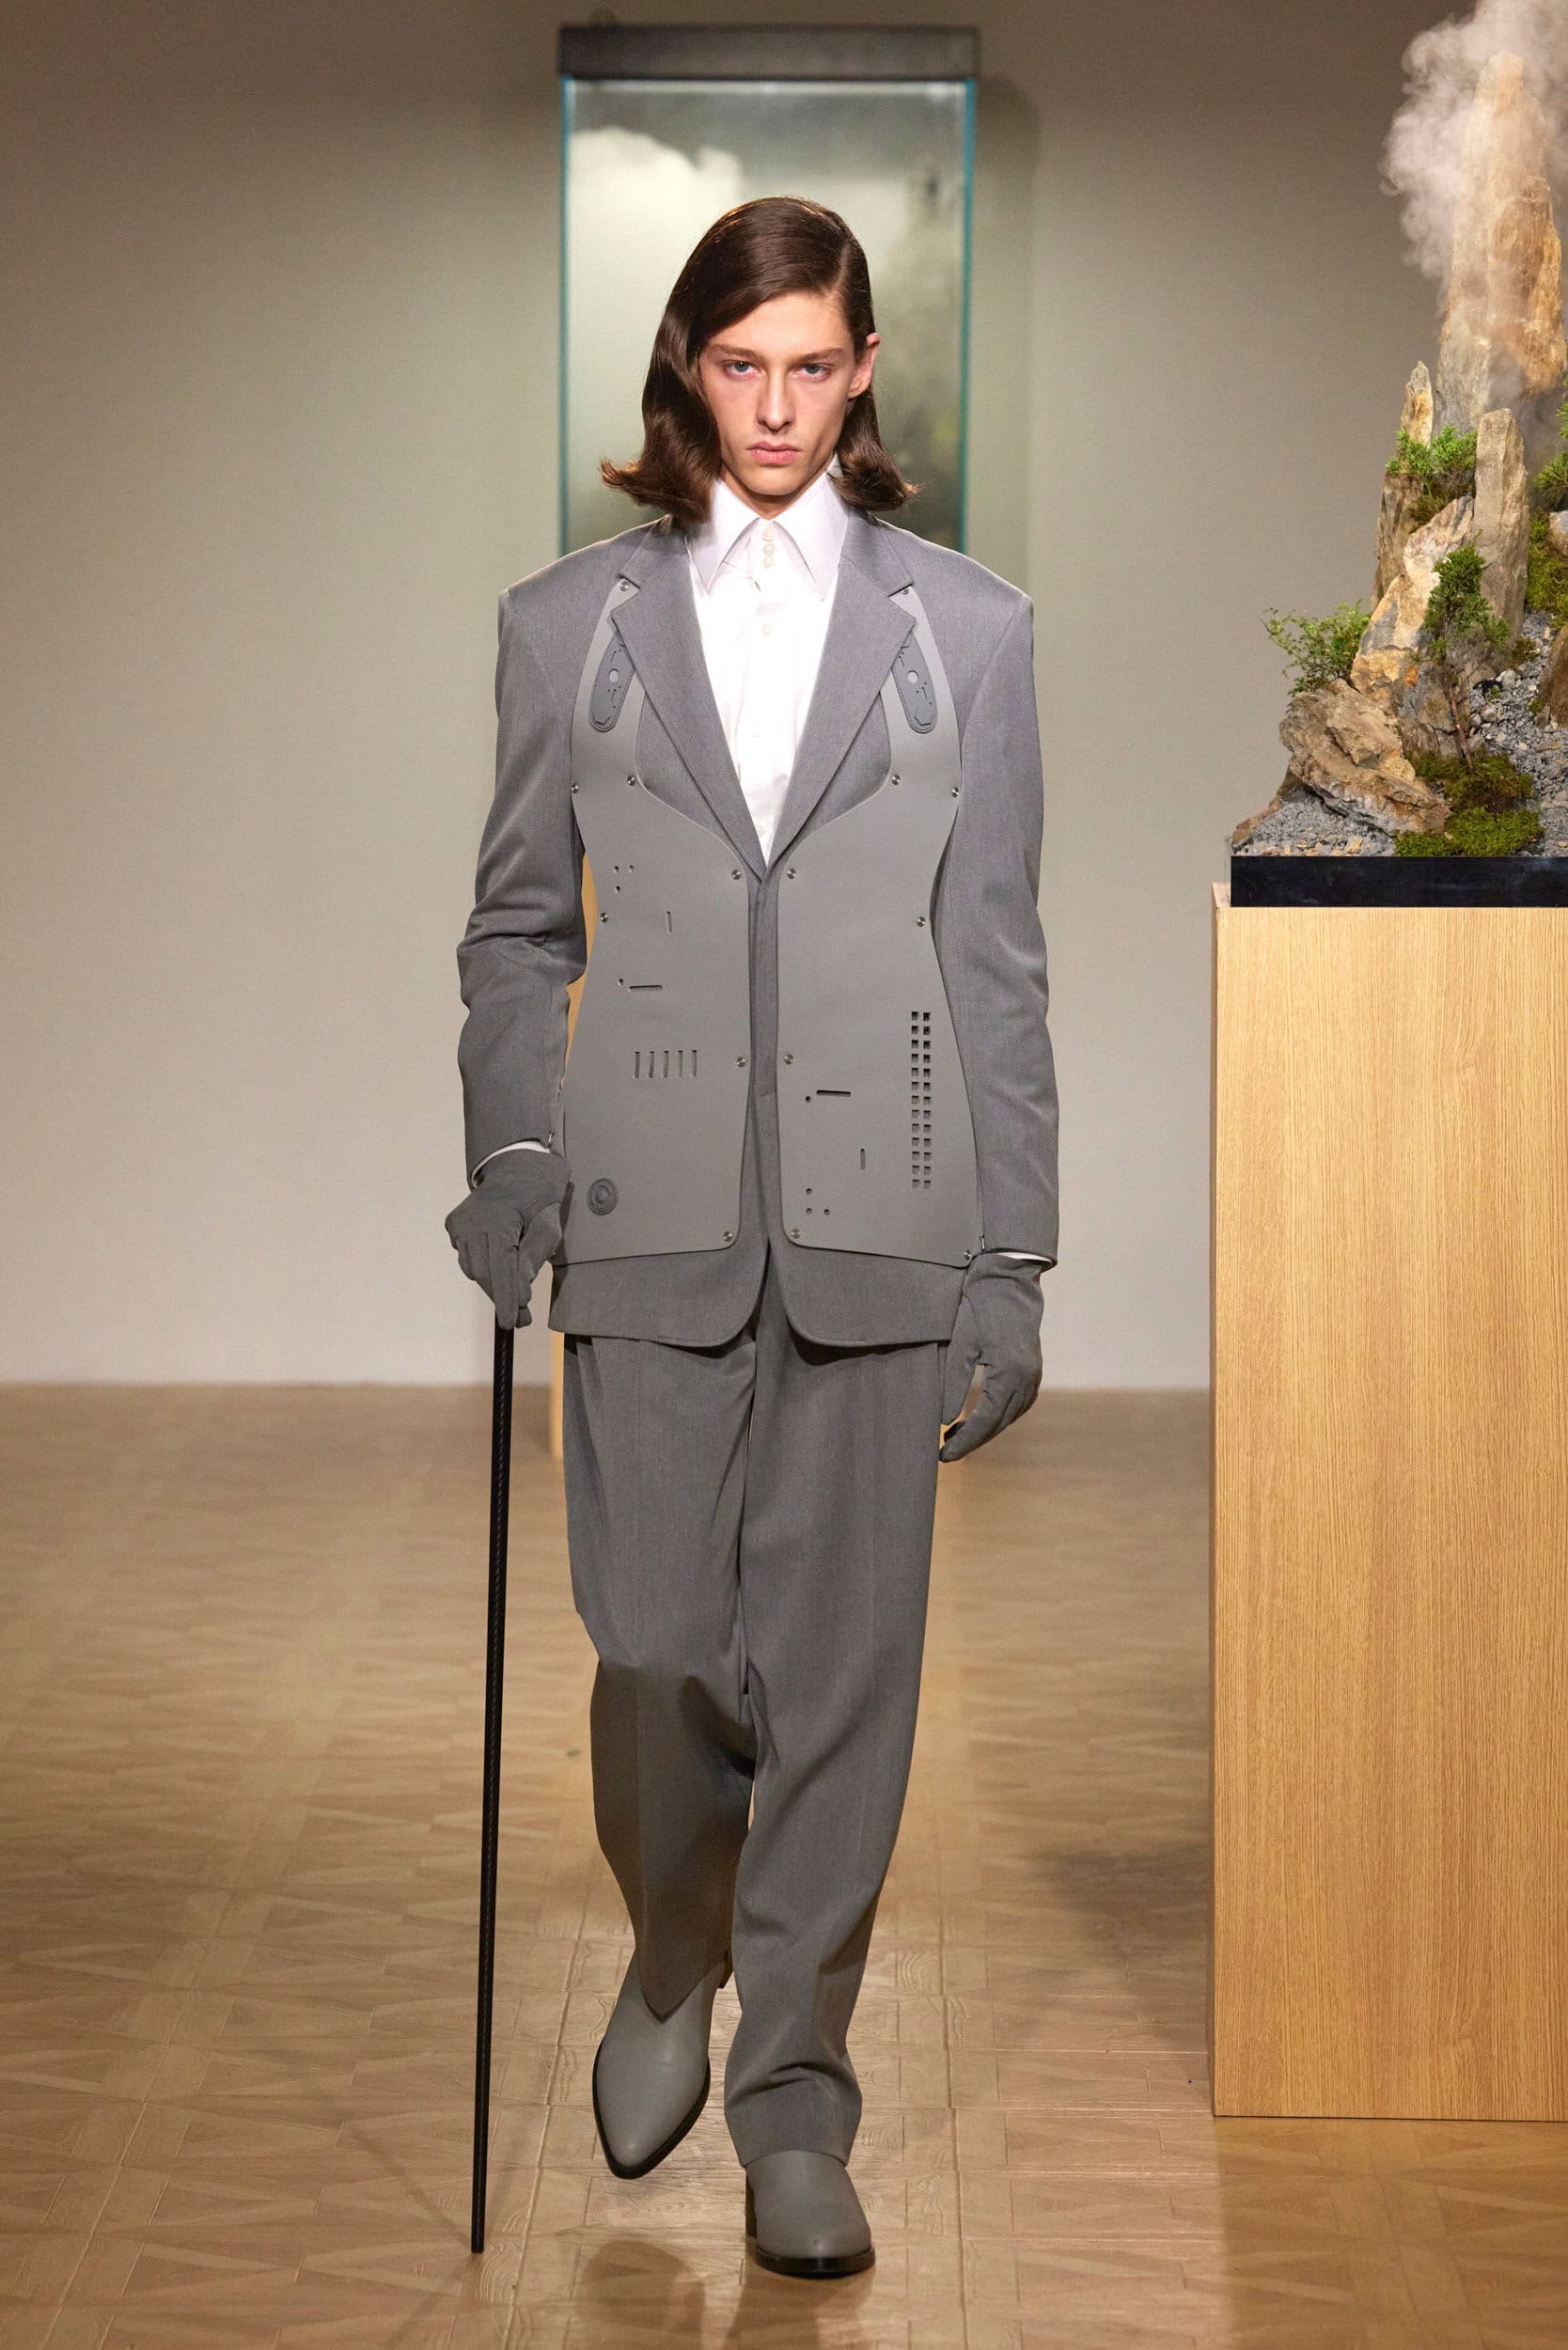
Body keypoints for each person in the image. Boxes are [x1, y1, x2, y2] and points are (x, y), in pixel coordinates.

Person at [446, 195, 1058, 2280]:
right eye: (740, 366)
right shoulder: (567, 625)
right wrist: (515, 1141)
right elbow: (515, 929)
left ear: (864, 368)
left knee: (847, 1683)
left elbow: (997, 957)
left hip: (893, 1215)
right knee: (652, 1644)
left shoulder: (974, 630)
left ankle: (796, 2093)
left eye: (811, 366)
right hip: (641, 1213)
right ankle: (669, 1948)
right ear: (686, 371)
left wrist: (1016, 1256)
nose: (777, 407)